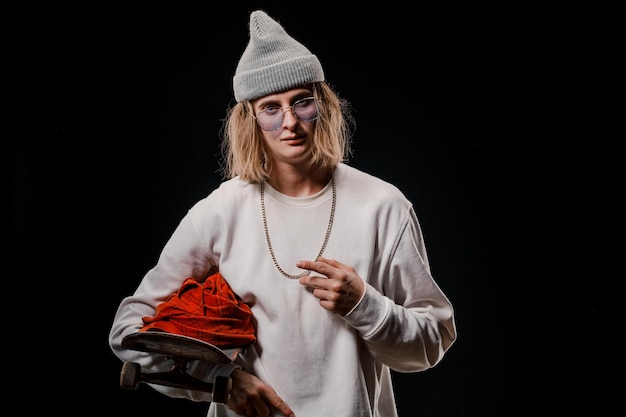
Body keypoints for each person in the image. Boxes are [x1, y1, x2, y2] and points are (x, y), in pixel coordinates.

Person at [109, 9, 457, 417]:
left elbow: (431, 342)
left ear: (322, 106)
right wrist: (221, 381)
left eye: (302, 102)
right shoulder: (221, 211)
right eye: (271, 108)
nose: (289, 122)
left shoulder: (383, 207)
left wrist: (365, 304)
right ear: (251, 120)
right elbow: (129, 330)